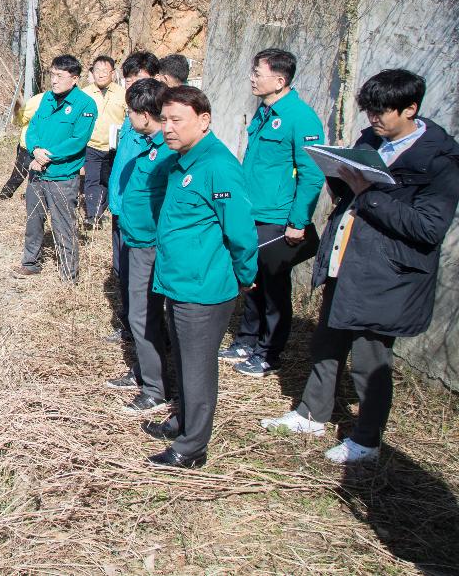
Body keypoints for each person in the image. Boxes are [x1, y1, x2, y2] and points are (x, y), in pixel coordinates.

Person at [262, 69, 459, 464]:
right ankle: (311, 414)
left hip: (389, 275)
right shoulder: (371, 141)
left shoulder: (439, 162)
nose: (373, 120)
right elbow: (352, 195)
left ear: (410, 108)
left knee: (370, 358)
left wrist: (368, 193)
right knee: (326, 343)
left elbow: (428, 227)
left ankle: (366, 439)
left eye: (382, 112)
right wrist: (341, 177)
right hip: (347, 261)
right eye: (369, 111)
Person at [142, 85, 257, 469]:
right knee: (185, 362)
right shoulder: (181, 161)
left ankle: (192, 448)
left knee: (197, 368)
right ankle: (183, 421)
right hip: (178, 282)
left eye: (177, 120)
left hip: (203, 289)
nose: (168, 128)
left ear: (204, 121)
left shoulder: (218, 167)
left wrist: (245, 275)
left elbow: (241, 231)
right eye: (165, 120)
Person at [221, 49, 325, 377]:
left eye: (258, 73)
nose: (252, 78)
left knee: (275, 287)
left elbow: (312, 173)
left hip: (278, 218)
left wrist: (299, 221)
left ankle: (269, 351)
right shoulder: (263, 112)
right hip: (252, 211)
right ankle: (247, 339)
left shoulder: (300, 116)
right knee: (252, 278)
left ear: (279, 81)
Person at [105, 78, 177, 413]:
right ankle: (145, 372)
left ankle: (155, 390)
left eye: (131, 112)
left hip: (150, 245)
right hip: (136, 241)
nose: (128, 119)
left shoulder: (168, 150)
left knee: (143, 315)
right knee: (142, 314)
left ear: (146, 115)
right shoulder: (150, 144)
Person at [12, 55, 97, 282]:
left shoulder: (85, 105)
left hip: (62, 175)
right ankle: (31, 262)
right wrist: (35, 149)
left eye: (60, 76)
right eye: (52, 75)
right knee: (33, 219)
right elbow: (33, 129)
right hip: (37, 173)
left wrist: (46, 156)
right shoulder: (47, 99)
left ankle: (69, 275)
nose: (54, 81)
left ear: (75, 78)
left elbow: (77, 141)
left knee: (64, 225)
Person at [104, 50, 161, 343]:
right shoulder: (131, 117)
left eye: (137, 79)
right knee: (122, 270)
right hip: (121, 206)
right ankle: (130, 327)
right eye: (127, 80)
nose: (130, 85)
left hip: (141, 217)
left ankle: (149, 337)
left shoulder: (160, 120)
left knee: (142, 280)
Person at [82, 56, 127, 226]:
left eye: (104, 71)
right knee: (92, 179)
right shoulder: (84, 94)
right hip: (92, 145)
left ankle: (107, 209)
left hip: (115, 146)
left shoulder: (123, 94)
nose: (100, 75)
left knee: (110, 180)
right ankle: (93, 216)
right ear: (92, 73)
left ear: (113, 73)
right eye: (97, 71)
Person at [0, 91, 44, 200]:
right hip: (29, 146)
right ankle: (2, 199)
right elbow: (19, 120)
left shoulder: (76, 100)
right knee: (18, 176)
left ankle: (33, 198)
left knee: (39, 178)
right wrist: (16, 110)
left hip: (49, 148)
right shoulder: (39, 100)